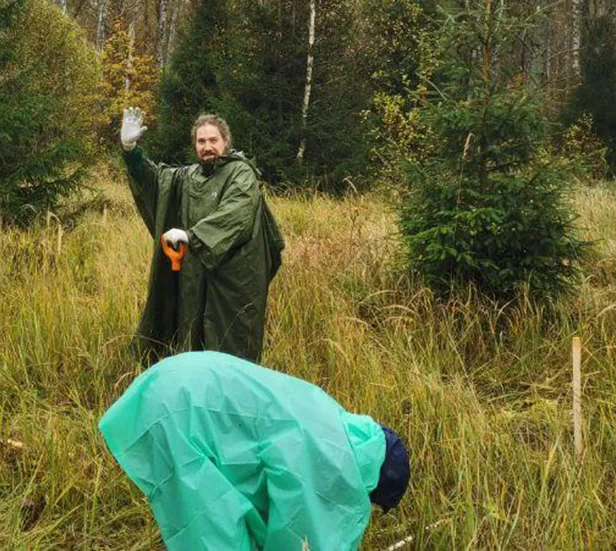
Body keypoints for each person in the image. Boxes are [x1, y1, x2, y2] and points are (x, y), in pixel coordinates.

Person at [99, 351, 411, 551]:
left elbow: (266, 480)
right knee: (214, 534)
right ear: (372, 485)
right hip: (182, 413)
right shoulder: (329, 465)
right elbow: (300, 536)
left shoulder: (335, 427)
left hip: (178, 384)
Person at [120, 107, 284, 363]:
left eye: (213, 140)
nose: (207, 146)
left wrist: (192, 235)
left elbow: (236, 213)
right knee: (191, 344)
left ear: (225, 142)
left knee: (230, 349)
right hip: (195, 279)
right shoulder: (189, 176)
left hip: (233, 283)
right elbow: (157, 182)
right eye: (201, 141)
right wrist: (131, 153)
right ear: (195, 145)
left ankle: (232, 401)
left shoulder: (241, 173)